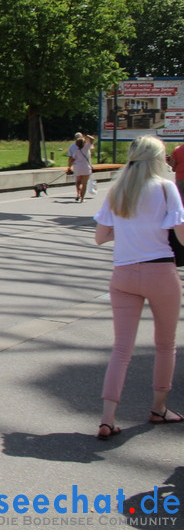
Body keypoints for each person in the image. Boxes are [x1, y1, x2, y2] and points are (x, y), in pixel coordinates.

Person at [92, 135, 184, 439]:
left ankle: (107, 417)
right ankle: (159, 407)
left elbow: (101, 236)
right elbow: (182, 237)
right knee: (165, 344)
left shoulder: (117, 190)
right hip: (160, 272)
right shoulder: (166, 188)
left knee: (121, 348)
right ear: (157, 159)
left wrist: (130, 231)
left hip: (123, 274)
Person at [67, 132, 96, 203]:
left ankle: (78, 194)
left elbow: (72, 159)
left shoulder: (76, 151)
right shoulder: (86, 148)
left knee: (78, 182)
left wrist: (69, 167)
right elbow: (92, 139)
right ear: (84, 143)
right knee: (84, 184)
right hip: (86, 167)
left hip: (77, 167)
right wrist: (88, 136)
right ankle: (82, 198)